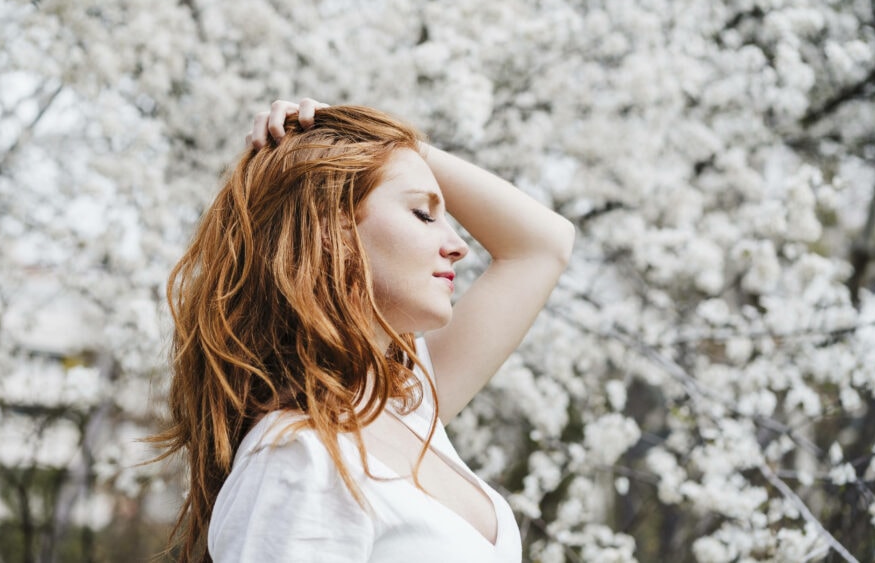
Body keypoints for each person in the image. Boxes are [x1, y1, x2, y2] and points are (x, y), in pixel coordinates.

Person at [153, 99, 575, 562]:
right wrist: (362, 144)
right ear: (332, 227)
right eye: (423, 214)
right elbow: (539, 247)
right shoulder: (297, 456)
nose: (458, 246)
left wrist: (375, 139)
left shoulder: (408, 407)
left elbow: (544, 243)